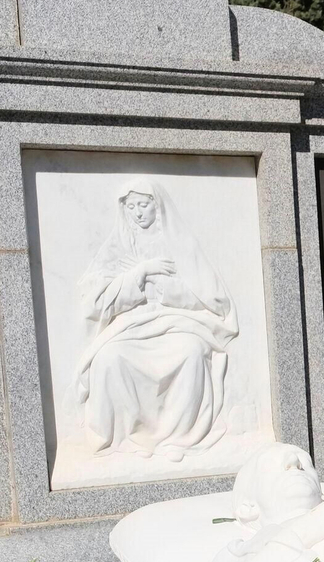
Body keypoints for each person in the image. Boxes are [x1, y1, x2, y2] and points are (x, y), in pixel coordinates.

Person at [76, 178, 239, 462]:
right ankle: (128, 438)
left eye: (143, 205)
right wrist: (139, 273)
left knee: (190, 352)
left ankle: (178, 438)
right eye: (131, 207)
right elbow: (96, 303)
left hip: (175, 321)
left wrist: (163, 288)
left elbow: (205, 294)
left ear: (157, 205)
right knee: (108, 359)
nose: (138, 213)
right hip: (131, 326)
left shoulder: (177, 243)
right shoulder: (117, 248)